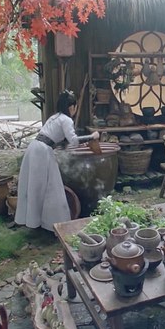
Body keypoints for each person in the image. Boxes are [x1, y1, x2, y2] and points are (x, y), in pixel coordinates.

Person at [15, 90, 99, 231]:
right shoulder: (66, 120)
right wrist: (92, 136)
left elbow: (56, 138)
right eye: (75, 106)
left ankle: (35, 221)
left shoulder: (54, 117)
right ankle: (54, 223)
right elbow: (73, 141)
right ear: (71, 107)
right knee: (52, 188)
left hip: (34, 148)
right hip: (42, 152)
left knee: (35, 186)